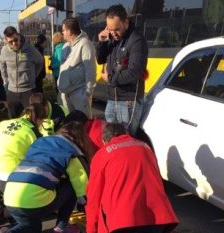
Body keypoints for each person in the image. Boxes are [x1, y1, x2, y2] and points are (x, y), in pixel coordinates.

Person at [0, 121, 92, 233]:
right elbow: (82, 190)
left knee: (33, 228)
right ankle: (61, 228)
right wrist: (88, 210)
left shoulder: (40, 142)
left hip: (9, 196)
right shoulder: (71, 153)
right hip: (32, 200)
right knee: (71, 185)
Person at [85, 122, 179, 233]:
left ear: (104, 141)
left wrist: (91, 229)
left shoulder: (102, 154)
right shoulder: (146, 147)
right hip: (158, 218)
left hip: (123, 221)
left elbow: (94, 197)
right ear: (126, 133)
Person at [0, 103, 47, 230]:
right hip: (11, 180)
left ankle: (0, 210)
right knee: (31, 219)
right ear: (39, 119)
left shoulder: (4, 123)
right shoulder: (33, 133)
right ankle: (7, 215)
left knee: (10, 197)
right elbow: (40, 162)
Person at [96, 4, 148, 136]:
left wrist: (110, 79)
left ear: (126, 22)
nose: (113, 33)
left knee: (126, 140)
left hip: (128, 101)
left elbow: (134, 72)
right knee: (111, 139)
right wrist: (102, 42)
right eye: (110, 29)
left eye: (116, 29)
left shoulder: (137, 41)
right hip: (112, 98)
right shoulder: (113, 39)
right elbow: (100, 60)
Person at [0, 26, 44, 118]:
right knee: (13, 119)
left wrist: (33, 76)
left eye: (16, 40)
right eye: (10, 42)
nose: (14, 43)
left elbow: (40, 62)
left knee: (31, 119)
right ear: (6, 41)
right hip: (12, 91)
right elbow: (1, 63)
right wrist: (5, 79)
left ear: (19, 36)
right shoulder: (4, 51)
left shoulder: (30, 49)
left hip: (28, 91)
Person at [58, 17, 96, 119]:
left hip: (79, 94)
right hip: (66, 95)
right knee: (69, 125)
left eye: (63, 30)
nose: (62, 33)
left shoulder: (85, 44)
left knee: (83, 125)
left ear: (69, 31)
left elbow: (90, 69)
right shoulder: (65, 46)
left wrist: (88, 92)